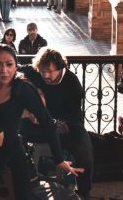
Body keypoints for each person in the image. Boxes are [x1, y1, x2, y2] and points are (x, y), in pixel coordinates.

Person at [0, 44, 83, 200]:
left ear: (16, 66)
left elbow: (48, 123)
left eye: (9, 64)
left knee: (23, 195)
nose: (4, 70)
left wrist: (58, 160)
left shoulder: (22, 90)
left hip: (12, 152)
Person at [19, 47, 94, 199]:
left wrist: (53, 122)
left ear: (60, 69)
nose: (46, 75)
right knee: (16, 134)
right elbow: (15, 68)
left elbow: (72, 115)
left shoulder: (72, 83)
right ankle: (25, 181)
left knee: (84, 152)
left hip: (68, 124)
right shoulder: (35, 72)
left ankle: (84, 192)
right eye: (42, 71)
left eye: (51, 71)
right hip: (40, 120)